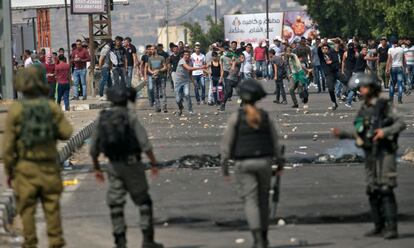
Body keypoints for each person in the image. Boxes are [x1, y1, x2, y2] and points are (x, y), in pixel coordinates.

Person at [3, 67, 73, 248]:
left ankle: (30, 242)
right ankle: (56, 242)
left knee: (26, 209)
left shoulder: (16, 110)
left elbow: (8, 147)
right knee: (51, 207)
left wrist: (9, 171)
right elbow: (66, 132)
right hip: (49, 167)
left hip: (25, 168)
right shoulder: (50, 107)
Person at [332, 73, 406, 240]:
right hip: (370, 152)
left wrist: (384, 132)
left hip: (385, 151)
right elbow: (361, 132)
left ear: (372, 88)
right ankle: (378, 226)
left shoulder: (383, 105)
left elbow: (401, 123)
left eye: (364, 87)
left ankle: (391, 227)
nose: (361, 90)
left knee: (386, 188)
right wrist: (342, 133)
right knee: (372, 189)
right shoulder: (364, 109)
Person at [90, 85, 164, 248]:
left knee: (116, 204)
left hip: (113, 167)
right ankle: (147, 240)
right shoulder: (130, 117)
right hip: (133, 165)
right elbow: (145, 144)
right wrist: (153, 163)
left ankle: (120, 241)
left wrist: (97, 168)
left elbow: (93, 149)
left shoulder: (102, 118)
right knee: (144, 201)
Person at [221, 79, 284, 248]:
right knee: (264, 200)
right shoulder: (265, 116)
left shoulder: (236, 117)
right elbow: (276, 142)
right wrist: (280, 163)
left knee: (250, 200)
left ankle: (257, 239)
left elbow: (226, 146)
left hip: (243, 163)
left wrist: (224, 168)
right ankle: (264, 237)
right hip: (264, 161)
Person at [174, 50, 205, 116]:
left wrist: (193, 82)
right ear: (183, 55)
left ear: (190, 56)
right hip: (178, 82)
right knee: (178, 99)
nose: (186, 56)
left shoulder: (191, 62)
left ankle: (190, 110)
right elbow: (188, 68)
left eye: (188, 55)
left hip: (186, 81)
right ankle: (180, 108)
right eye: (185, 55)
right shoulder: (181, 61)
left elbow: (190, 73)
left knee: (187, 94)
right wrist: (200, 67)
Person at [146, 46, 168, 113]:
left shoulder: (161, 58)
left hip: (161, 77)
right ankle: (157, 107)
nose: (151, 51)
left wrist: (159, 70)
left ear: (156, 50)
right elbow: (148, 68)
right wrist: (152, 72)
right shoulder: (150, 59)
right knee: (155, 93)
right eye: (150, 49)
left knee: (163, 92)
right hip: (154, 77)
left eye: (152, 49)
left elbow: (165, 67)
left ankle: (164, 107)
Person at [318, 43, 340, 110]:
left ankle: (355, 93)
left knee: (346, 81)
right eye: (323, 49)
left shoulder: (331, 54)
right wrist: (319, 47)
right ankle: (334, 103)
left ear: (328, 49)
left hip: (336, 72)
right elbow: (319, 52)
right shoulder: (321, 57)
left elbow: (336, 60)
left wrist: (332, 61)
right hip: (328, 74)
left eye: (326, 48)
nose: (325, 50)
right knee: (330, 89)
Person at [386, 39, 406, 104]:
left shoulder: (390, 49)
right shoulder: (401, 49)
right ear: (397, 42)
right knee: (400, 84)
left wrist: (387, 69)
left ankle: (391, 100)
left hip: (393, 68)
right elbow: (404, 59)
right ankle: (399, 99)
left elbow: (389, 60)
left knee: (392, 84)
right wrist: (404, 68)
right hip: (400, 67)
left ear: (392, 43)